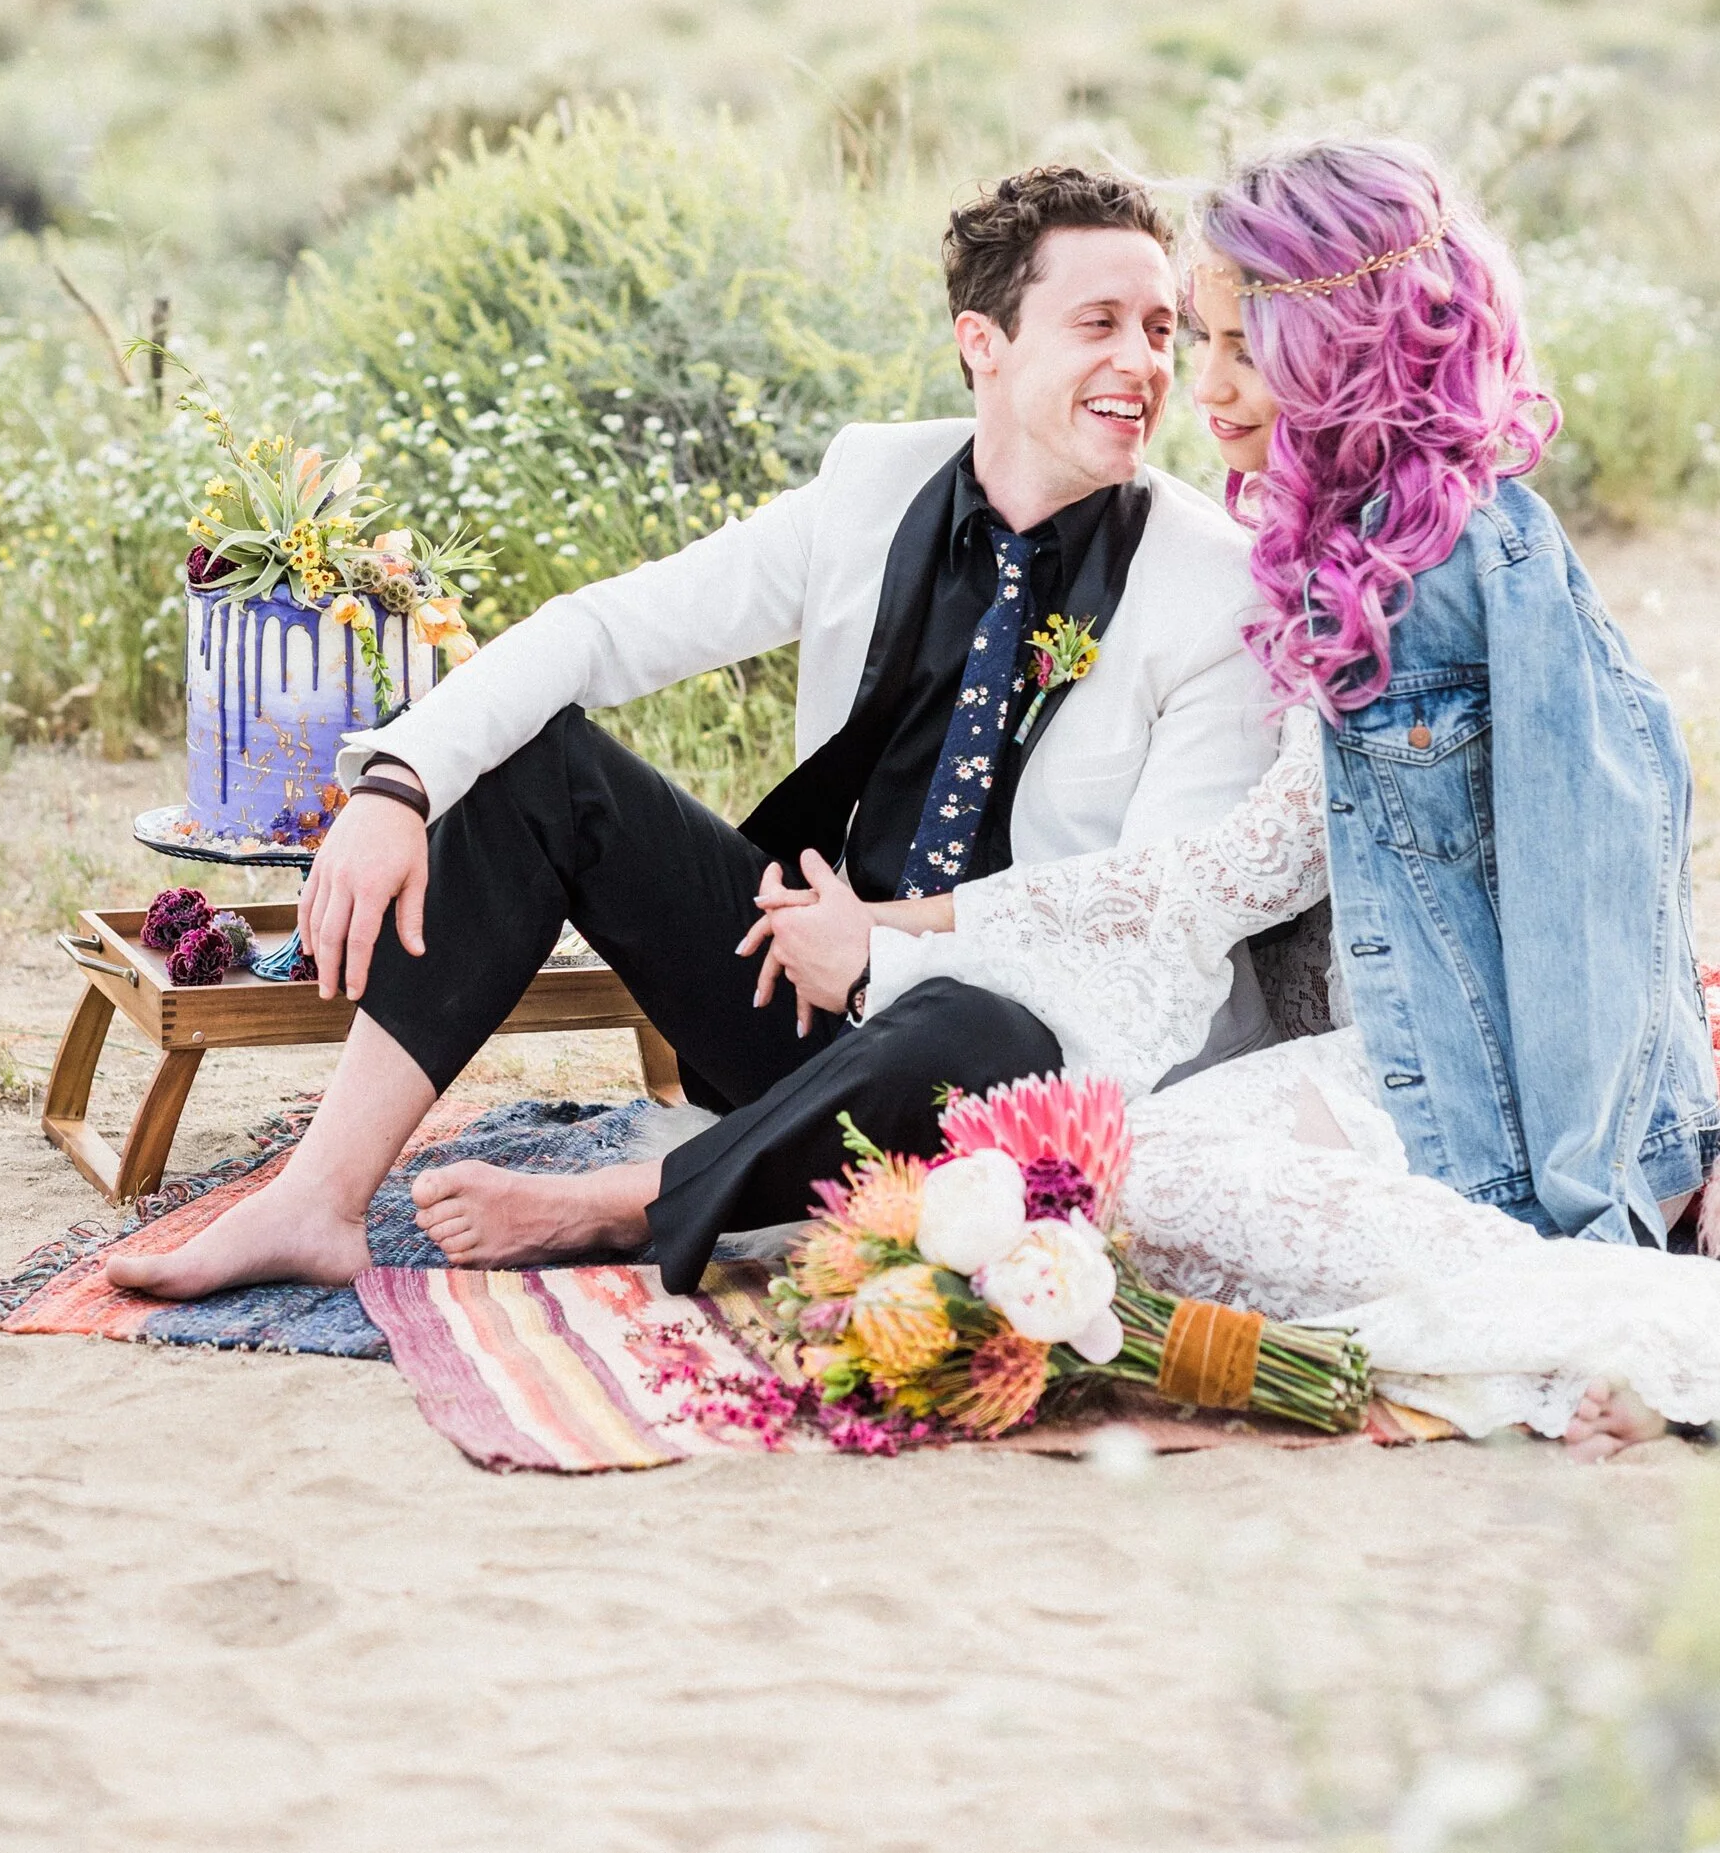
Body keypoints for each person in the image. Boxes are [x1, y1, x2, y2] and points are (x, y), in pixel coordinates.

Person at [109, 163, 1285, 1302]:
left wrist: (880, 949)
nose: (1143, 362)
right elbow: (607, 628)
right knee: (539, 766)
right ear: (986, 342)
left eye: (1160, 329)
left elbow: (1144, 931)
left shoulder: (1211, 589)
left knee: (968, 1023)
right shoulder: (873, 484)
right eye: (1099, 323)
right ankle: (318, 1198)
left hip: (1023, 1057)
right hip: (801, 994)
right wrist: (397, 784)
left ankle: (627, 1201)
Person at [750, 137, 1720, 1456]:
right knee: (1100, 1180)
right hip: (1403, 1053)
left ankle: (1610, 1302)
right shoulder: (1373, 550)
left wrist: (1595, 1183)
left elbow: (1588, 890)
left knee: (1124, 1185)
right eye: (1199, 340)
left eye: (1238, 349)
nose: (1197, 388)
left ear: (1344, 346)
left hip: (1487, 1101)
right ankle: (1546, 1304)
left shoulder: (1449, 569)